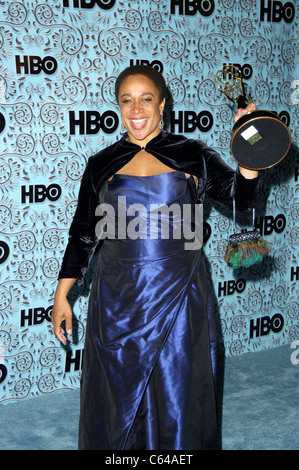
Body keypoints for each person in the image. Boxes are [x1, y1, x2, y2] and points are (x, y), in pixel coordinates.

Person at [52, 65, 260, 450]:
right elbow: (83, 232)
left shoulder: (192, 154)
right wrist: (62, 294)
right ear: (118, 106)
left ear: (162, 103)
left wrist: (248, 146)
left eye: (146, 98)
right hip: (116, 299)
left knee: (178, 389)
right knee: (116, 394)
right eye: (126, 100)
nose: (136, 109)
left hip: (180, 295)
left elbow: (240, 199)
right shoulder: (101, 163)